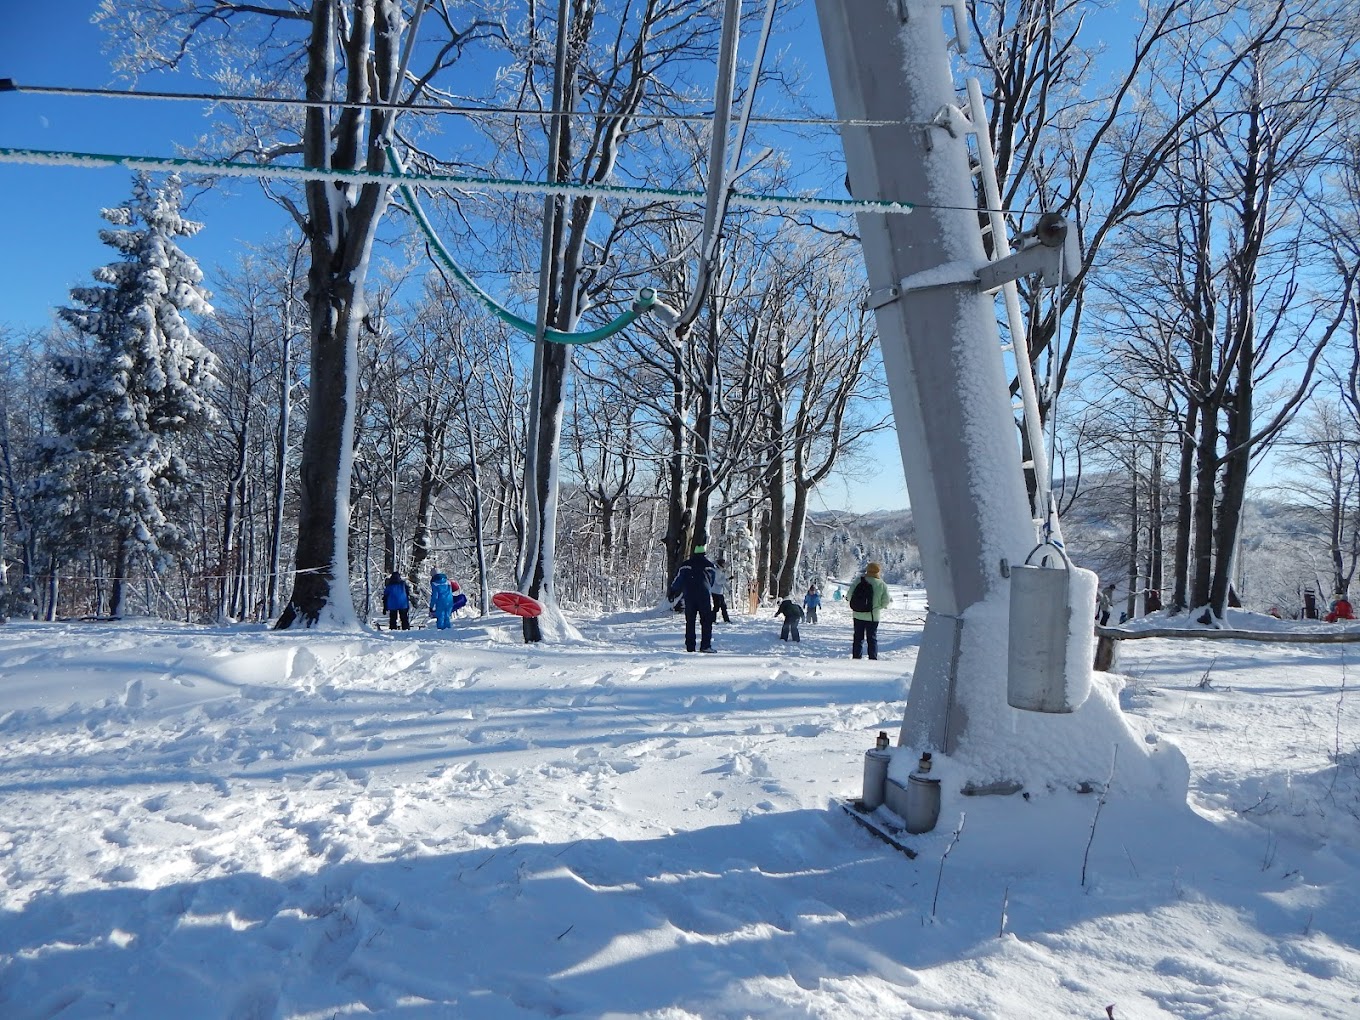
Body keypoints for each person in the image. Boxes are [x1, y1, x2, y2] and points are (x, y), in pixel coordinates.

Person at [668, 541, 717, 652]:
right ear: (704, 553)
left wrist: (673, 591)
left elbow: (678, 580)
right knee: (706, 621)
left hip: (689, 596)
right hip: (704, 596)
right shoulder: (710, 566)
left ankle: (690, 646)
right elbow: (712, 581)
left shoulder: (686, 565)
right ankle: (705, 645)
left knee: (690, 621)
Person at [850, 562, 891, 660]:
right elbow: (886, 602)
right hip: (873, 616)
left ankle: (856, 658)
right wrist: (877, 607)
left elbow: (849, 595)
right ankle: (873, 659)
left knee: (858, 638)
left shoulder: (858, 581)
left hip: (858, 615)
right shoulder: (882, 584)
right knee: (872, 639)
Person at [711, 558, 732, 623]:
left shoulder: (721, 571)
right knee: (716, 607)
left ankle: (726, 620)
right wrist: (727, 579)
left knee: (723, 607)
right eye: (723, 564)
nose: (724, 565)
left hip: (720, 592)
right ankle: (712, 620)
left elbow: (724, 582)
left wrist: (729, 589)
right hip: (715, 591)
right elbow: (718, 582)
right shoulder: (716, 571)